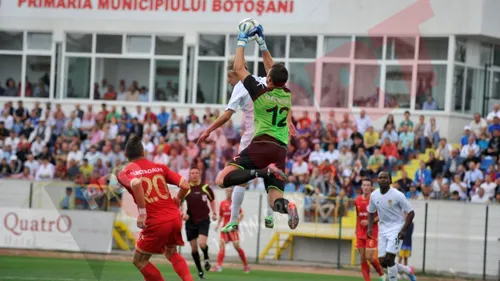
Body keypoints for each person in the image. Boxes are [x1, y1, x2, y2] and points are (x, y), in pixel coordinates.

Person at [215, 22, 299, 232]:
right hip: (280, 150)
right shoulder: (287, 94)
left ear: (268, 79)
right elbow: (275, 69)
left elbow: (238, 68)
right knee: (274, 201)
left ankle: (259, 173)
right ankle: (288, 207)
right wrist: (262, 43)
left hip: (261, 146)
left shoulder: (260, 93)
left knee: (222, 179)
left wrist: (242, 39)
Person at [197, 54, 288, 230]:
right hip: (274, 139)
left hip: (253, 139)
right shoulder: (264, 81)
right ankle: (270, 216)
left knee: (237, 179)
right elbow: (273, 70)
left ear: (234, 73)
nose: (229, 81)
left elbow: (226, 115)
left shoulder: (241, 86)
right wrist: (261, 44)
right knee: (272, 177)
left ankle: (233, 220)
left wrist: (209, 129)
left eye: (229, 77)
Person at [117, 136, 193, 281]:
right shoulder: (160, 167)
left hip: (156, 221)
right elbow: (185, 185)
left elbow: (136, 184)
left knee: (139, 261)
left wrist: (142, 213)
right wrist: (178, 199)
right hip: (174, 217)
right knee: (171, 252)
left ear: (125, 155)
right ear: (143, 152)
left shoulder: (124, 173)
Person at [367, 172, 417, 281]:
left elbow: (411, 213)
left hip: (396, 228)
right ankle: (408, 270)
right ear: (377, 180)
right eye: (380, 178)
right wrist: (369, 227)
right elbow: (371, 212)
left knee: (389, 259)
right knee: (383, 262)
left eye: (385, 178)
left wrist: (403, 230)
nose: (383, 179)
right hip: (383, 230)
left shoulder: (398, 195)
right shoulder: (374, 195)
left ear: (390, 181)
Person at [181, 167, 217, 279]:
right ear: (189, 175)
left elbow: (212, 200)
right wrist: (182, 214)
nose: (194, 175)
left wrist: (214, 212)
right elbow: (180, 203)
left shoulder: (205, 188)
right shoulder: (185, 189)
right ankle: (200, 271)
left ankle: (206, 258)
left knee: (202, 244)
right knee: (194, 249)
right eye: (192, 173)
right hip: (190, 222)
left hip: (203, 220)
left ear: (200, 174)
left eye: (196, 173)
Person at [354, 179, 385, 281]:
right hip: (360, 232)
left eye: (368, 185)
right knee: (362, 258)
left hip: (371, 231)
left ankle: (381, 273)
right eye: (364, 185)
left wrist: (369, 222)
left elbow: (381, 216)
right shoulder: (357, 200)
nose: (366, 187)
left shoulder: (375, 199)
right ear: (362, 187)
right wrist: (356, 229)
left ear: (371, 187)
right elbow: (357, 216)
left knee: (369, 257)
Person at [214, 187, 250, 273]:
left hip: (233, 229)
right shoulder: (222, 203)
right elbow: (221, 216)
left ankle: (246, 265)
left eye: (230, 191)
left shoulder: (235, 203)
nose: (229, 192)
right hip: (225, 228)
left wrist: (237, 222)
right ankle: (218, 266)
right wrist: (218, 225)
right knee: (221, 245)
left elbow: (241, 213)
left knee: (237, 246)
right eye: (228, 191)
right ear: (226, 192)